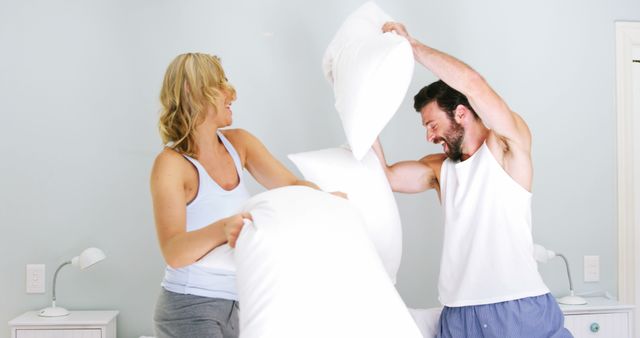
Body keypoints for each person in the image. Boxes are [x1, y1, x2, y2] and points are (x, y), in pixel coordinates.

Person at [374, 23, 572, 337]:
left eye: (432, 124)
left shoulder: (506, 146)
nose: (429, 136)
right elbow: (384, 176)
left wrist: (411, 46)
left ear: (462, 113)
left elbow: (474, 84)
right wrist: (362, 98)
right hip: (459, 313)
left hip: (515, 307)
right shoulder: (440, 170)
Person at [150, 53, 323, 338]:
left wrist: (328, 201)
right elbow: (174, 252)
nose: (233, 94)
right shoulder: (171, 165)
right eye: (221, 84)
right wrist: (224, 228)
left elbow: (291, 186)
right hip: (190, 308)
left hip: (241, 303)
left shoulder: (239, 143)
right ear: (195, 93)